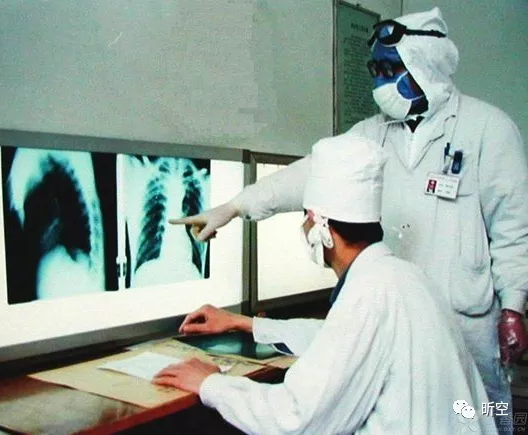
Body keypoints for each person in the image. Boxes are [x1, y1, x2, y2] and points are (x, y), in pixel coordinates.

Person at [169, 7, 528, 430]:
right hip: (415, 322)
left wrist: (514, 306)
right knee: (460, 417)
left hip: (470, 324)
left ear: (426, 65)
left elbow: (513, 231)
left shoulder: (488, 130)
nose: (380, 82)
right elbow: (308, 174)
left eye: (390, 69)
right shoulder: (372, 134)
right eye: (375, 70)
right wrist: (233, 206)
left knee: (488, 412)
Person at [154, 134, 496, 434]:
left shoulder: (369, 294)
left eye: (305, 216)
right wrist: (247, 324)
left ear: (321, 228)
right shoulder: (400, 277)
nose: (303, 226)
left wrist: (211, 384)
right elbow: (339, 340)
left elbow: (296, 418)